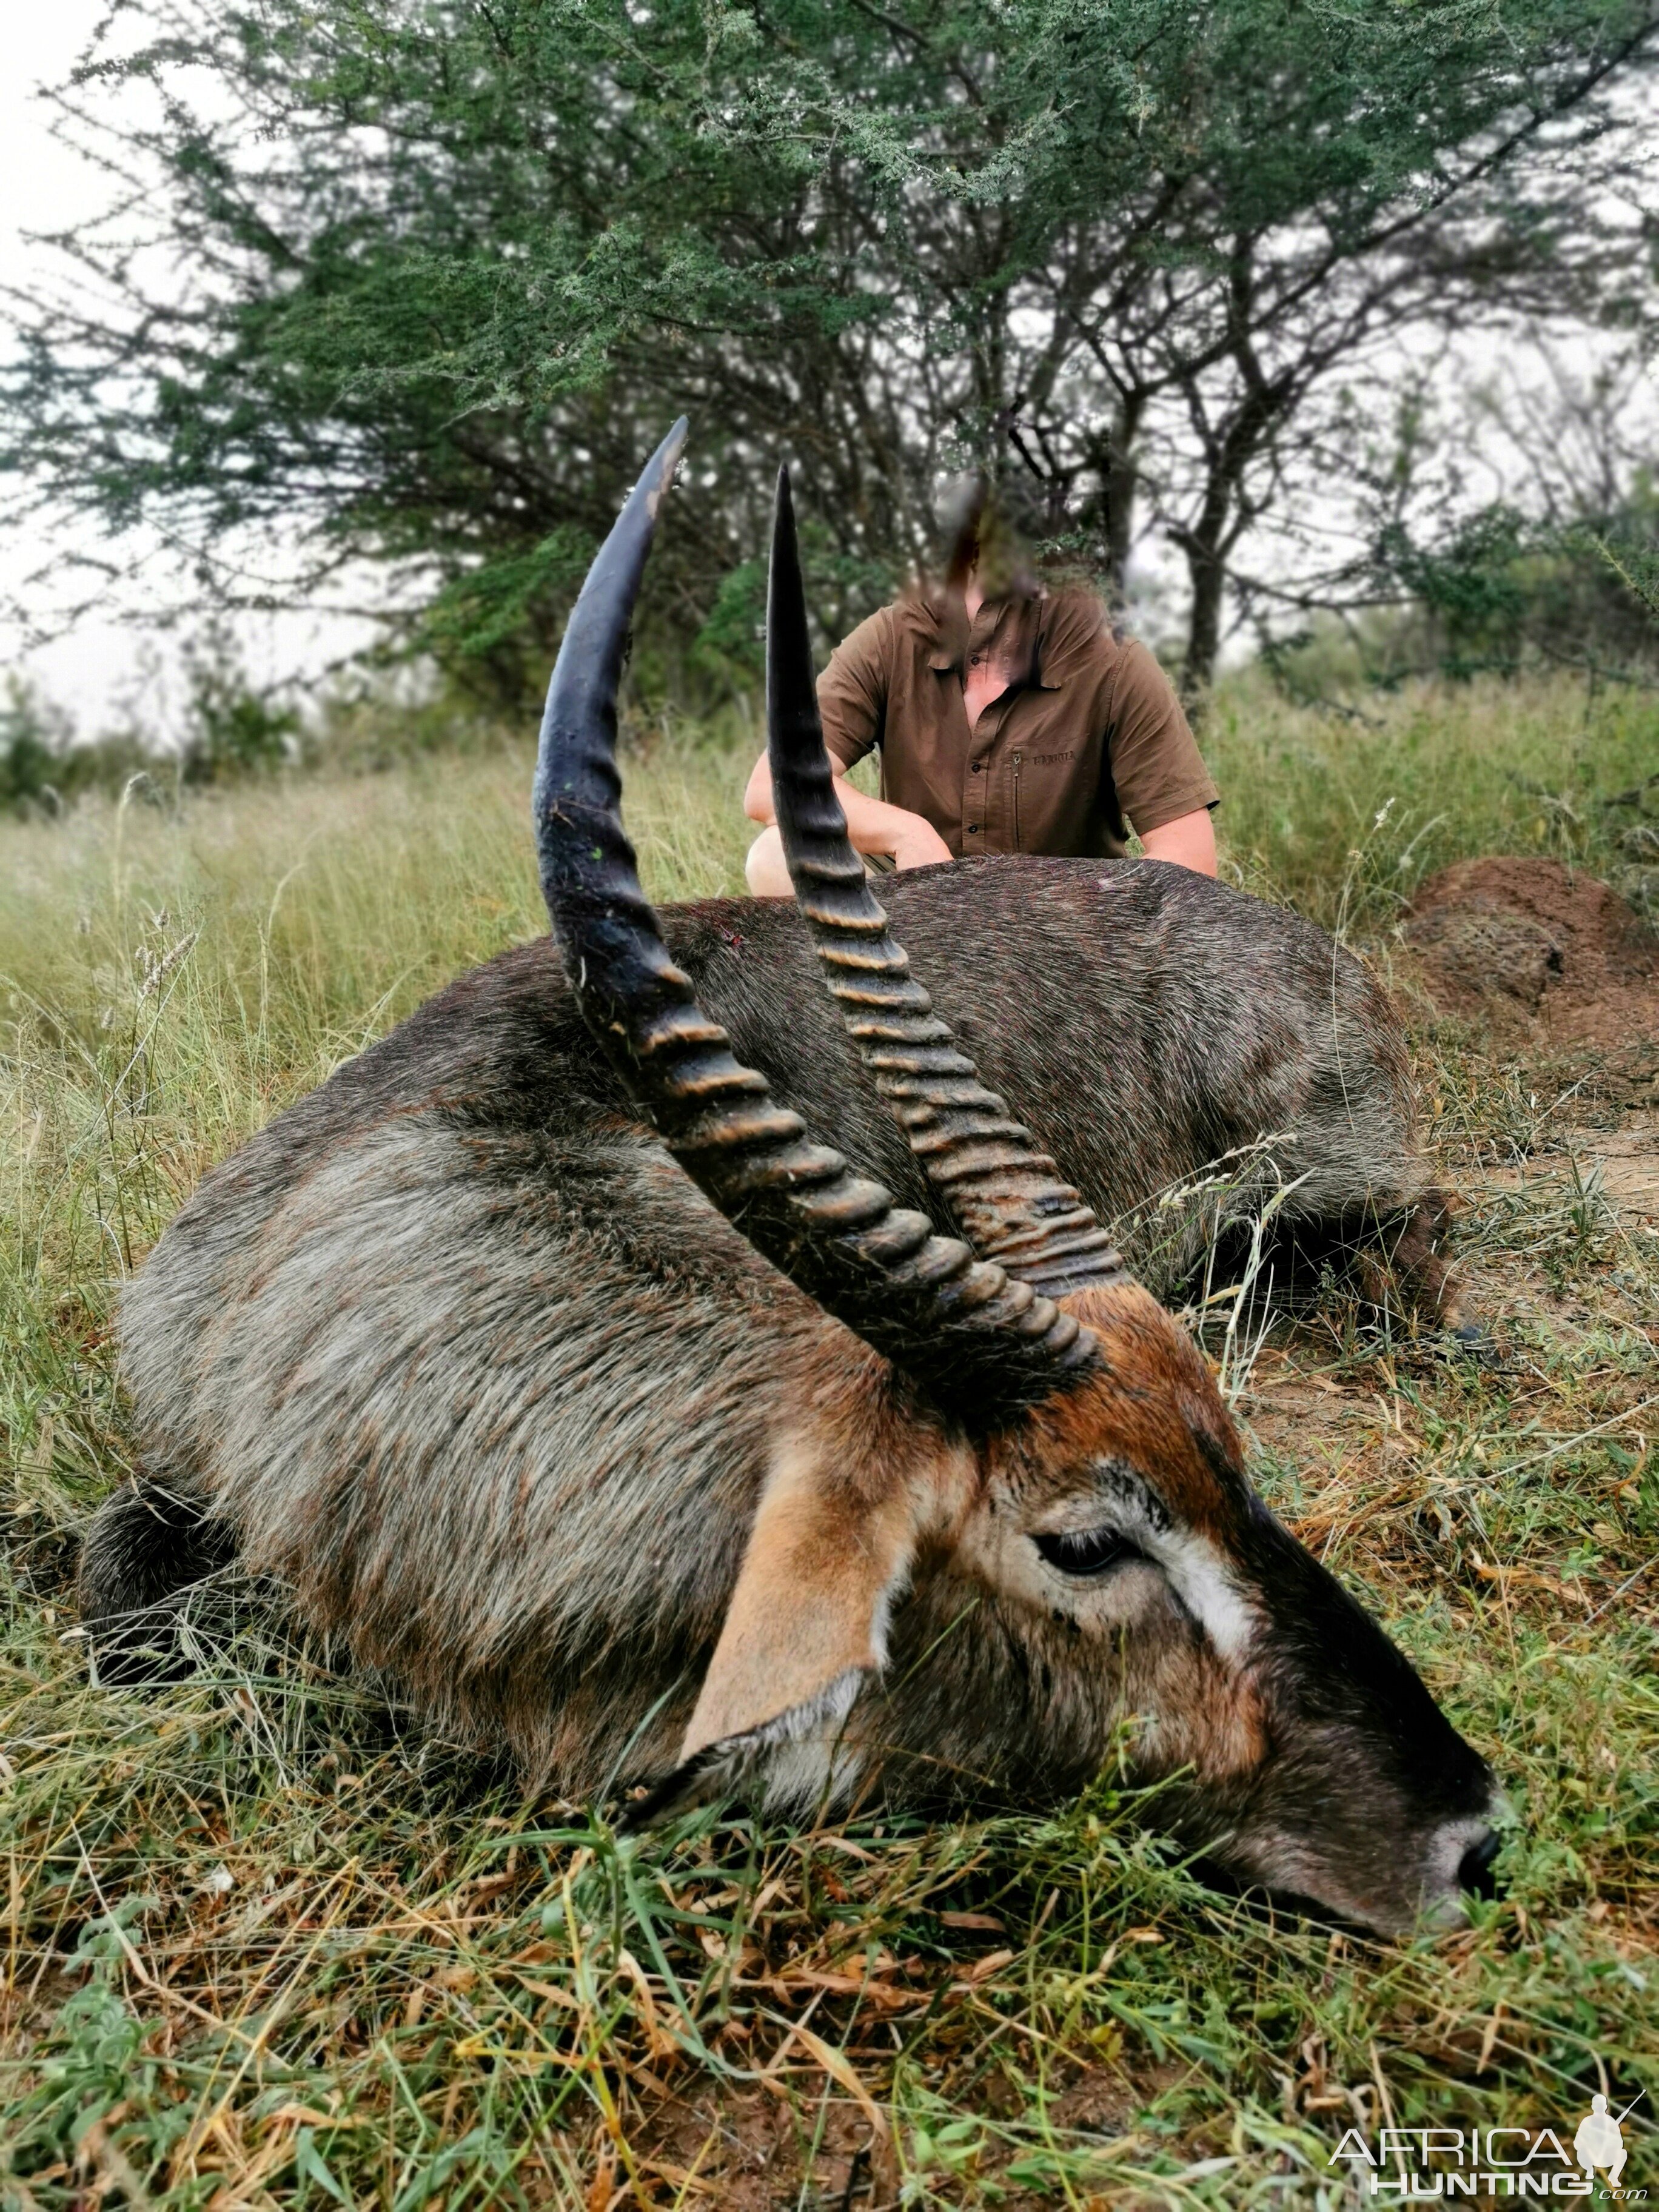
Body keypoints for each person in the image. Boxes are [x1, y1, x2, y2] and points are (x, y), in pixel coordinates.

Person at [744, 481, 1218, 893]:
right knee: (777, 857)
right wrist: (906, 833)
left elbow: (1191, 862)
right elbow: (773, 785)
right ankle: (877, 995)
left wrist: (1082, 912)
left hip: (1063, 935)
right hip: (920, 914)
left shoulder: (1114, 660)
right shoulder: (892, 637)